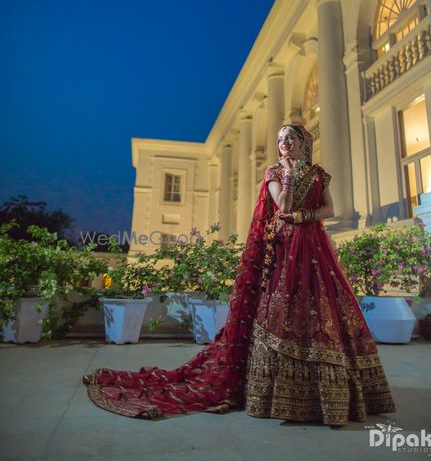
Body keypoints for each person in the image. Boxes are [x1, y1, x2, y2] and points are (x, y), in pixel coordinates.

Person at [83, 123, 396, 425]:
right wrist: (287, 174)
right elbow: (282, 203)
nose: (284, 143)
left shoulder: (318, 174)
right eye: (280, 139)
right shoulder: (274, 172)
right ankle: (276, 391)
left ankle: (332, 393)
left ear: (304, 142)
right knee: (282, 309)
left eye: (290, 138)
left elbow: (329, 209)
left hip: (315, 246)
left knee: (323, 309)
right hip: (285, 249)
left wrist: (305, 215)